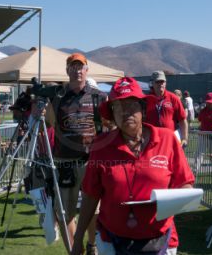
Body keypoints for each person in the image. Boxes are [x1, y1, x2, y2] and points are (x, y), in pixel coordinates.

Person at [71, 77, 194, 255]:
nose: (125, 112)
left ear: (143, 110)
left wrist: (172, 202)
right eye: (118, 107)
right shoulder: (101, 146)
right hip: (111, 241)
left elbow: (185, 184)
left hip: (161, 239)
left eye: (131, 105)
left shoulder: (167, 140)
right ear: (112, 114)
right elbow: (90, 195)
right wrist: (78, 238)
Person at [35, 53, 107, 254]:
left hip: (90, 161)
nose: (77, 70)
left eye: (80, 66)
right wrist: (39, 112)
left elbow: (107, 126)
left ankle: (92, 245)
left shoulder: (97, 96)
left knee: (94, 209)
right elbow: (46, 124)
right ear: (67, 70)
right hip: (64, 162)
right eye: (73, 67)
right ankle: (76, 251)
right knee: (63, 211)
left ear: (86, 70)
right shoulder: (57, 98)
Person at [146, 71, 188, 147]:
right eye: (158, 81)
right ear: (152, 83)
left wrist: (184, 138)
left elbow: (182, 119)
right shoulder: (146, 99)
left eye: (162, 81)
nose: (160, 84)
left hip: (169, 139)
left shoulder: (173, 98)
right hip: (151, 139)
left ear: (165, 83)